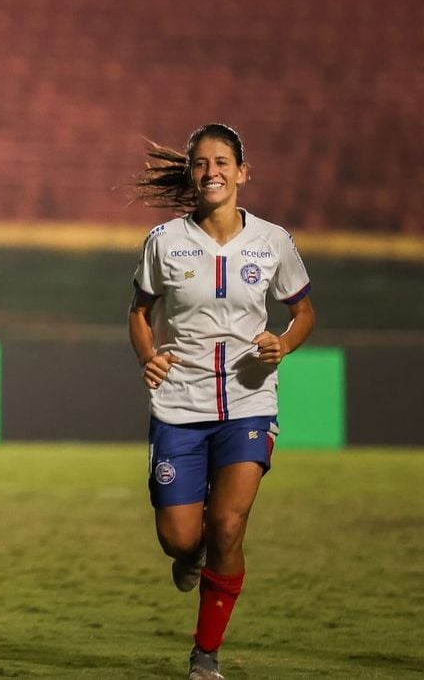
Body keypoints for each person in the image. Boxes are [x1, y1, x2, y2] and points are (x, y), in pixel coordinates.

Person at [128, 123, 315, 680]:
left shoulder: (273, 240)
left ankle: (205, 655)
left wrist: (280, 343)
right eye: (201, 163)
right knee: (180, 538)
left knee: (229, 526)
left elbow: (303, 312)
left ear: (241, 172)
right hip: (179, 408)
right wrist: (149, 356)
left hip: (249, 401)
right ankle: (190, 558)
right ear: (192, 174)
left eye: (222, 162)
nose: (212, 171)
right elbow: (139, 312)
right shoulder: (164, 242)